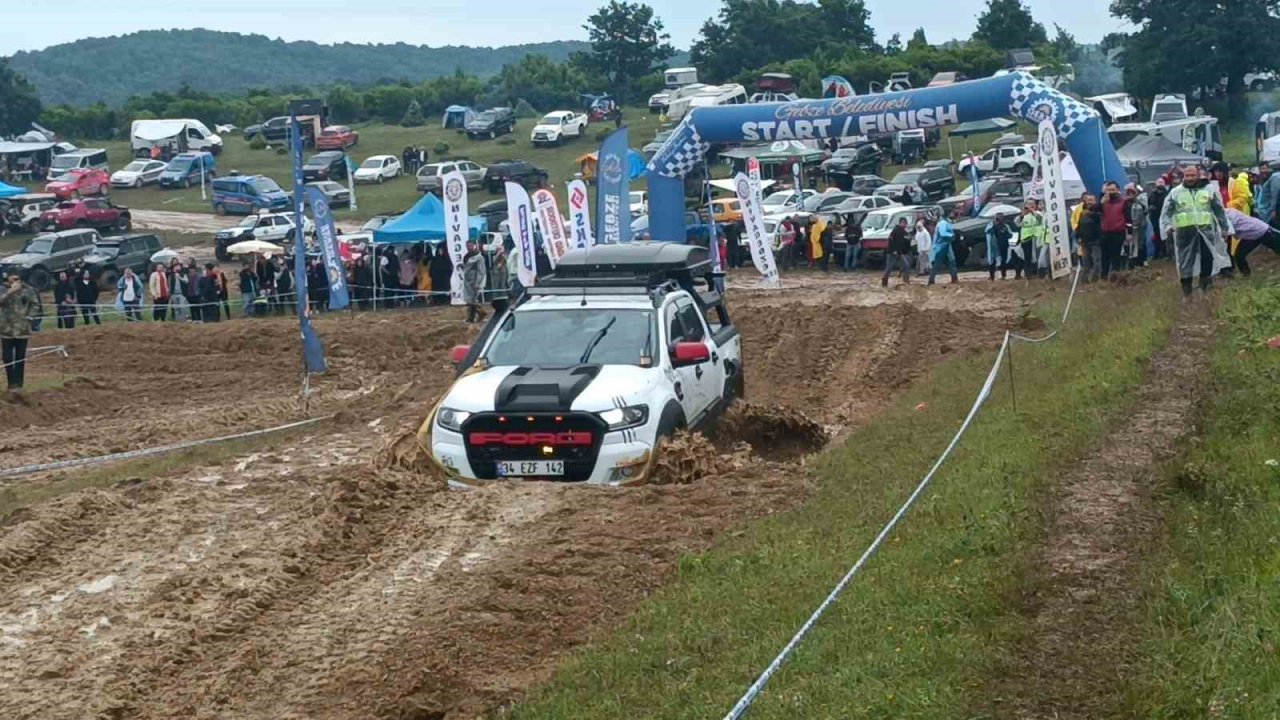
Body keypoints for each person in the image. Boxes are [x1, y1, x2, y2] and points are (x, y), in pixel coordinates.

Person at [1159, 164, 1232, 300]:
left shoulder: (1209, 190)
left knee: (1207, 259)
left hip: (1206, 231)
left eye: (1193, 175)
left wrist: (1224, 228)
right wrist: (1167, 226)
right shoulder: (1176, 192)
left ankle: (1204, 288)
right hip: (1184, 233)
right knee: (1185, 261)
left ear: (1198, 175)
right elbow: (1166, 212)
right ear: (1183, 177)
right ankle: (1187, 293)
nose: (1190, 178)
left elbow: (1219, 210)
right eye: (1187, 175)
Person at [0, 273, 41, 392]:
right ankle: (11, 383)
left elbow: (35, 304)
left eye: (17, 279)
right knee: (7, 358)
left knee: (20, 357)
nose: (14, 281)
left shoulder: (28, 290)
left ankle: (19, 384)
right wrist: (10, 292)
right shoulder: (3, 289)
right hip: (6, 329)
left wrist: (30, 316)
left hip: (22, 329)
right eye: (12, 278)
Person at [1224, 207, 1280, 277]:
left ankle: (1246, 276)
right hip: (1253, 233)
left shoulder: (1227, 217)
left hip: (1259, 231)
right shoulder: (1229, 211)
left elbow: (1227, 234)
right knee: (1239, 255)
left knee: (1239, 255)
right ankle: (1246, 276)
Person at [1098, 182, 1127, 280]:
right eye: (1108, 190)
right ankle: (1104, 276)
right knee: (1104, 256)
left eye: (1112, 190)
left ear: (1117, 190)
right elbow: (1094, 210)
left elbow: (1128, 217)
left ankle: (1115, 276)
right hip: (1105, 232)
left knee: (1116, 256)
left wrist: (1129, 232)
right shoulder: (1103, 202)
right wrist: (1101, 202)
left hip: (1118, 232)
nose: (1110, 192)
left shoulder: (1123, 202)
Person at [1075, 194, 1103, 283]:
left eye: (1092, 200)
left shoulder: (1098, 211)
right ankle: (1084, 281)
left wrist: (1090, 214)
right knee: (1085, 263)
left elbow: (1100, 219)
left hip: (1096, 241)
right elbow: (1079, 227)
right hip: (1084, 242)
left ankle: (1095, 280)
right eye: (1088, 200)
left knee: (1097, 261)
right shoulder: (1082, 213)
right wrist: (1078, 236)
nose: (1090, 202)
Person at [928, 211, 960, 285]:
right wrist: (951, 235)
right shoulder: (943, 223)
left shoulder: (942, 222)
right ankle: (931, 280)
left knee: (950, 262)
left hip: (944, 245)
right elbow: (943, 233)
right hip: (942, 245)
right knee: (941, 263)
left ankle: (954, 278)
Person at [1015, 201, 1044, 280]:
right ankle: (1028, 274)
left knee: (1038, 256)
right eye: (1029, 204)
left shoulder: (1038, 213)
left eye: (1032, 204)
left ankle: (1037, 273)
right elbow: (1017, 224)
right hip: (1026, 239)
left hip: (1037, 238)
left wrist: (1032, 212)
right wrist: (1023, 215)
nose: (1030, 206)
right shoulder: (1024, 215)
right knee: (1027, 256)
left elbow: (1041, 219)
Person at [461, 239, 487, 324]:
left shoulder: (479, 257)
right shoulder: (466, 256)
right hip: (467, 281)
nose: (469, 247)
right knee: (469, 300)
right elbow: (466, 267)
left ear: (474, 246)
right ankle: (472, 317)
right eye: (467, 246)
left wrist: (478, 282)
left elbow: (481, 271)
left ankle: (480, 313)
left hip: (475, 281)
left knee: (472, 300)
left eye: (470, 245)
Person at [882, 217, 912, 287]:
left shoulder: (903, 231)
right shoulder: (895, 230)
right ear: (901, 223)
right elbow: (891, 241)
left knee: (906, 266)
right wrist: (894, 250)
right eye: (904, 223)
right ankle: (884, 281)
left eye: (906, 223)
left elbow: (906, 240)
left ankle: (906, 281)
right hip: (892, 252)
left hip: (899, 252)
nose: (905, 225)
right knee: (889, 268)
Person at [1125, 184, 1149, 268]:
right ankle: (1133, 262)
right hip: (1129, 225)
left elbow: (1146, 210)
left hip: (1141, 225)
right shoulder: (1125, 202)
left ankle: (1142, 260)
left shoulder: (1141, 200)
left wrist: (1137, 201)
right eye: (1128, 193)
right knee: (1131, 244)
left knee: (1141, 242)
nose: (1130, 195)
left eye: (1132, 193)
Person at [985, 213, 1014, 281]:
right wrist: (994, 225)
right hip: (993, 247)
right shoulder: (991, 225)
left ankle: (1003, 276)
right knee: (992, 261)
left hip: (1003, 246)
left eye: (1000, 217)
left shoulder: (1006, 226)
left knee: (1003, 261)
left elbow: (1011, 235)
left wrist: (1005, 232)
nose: (999, 219)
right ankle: (992, 277)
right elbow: (987, 231)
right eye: (997, 217)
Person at [1148, 178, 1169, 259]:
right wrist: (1151, 207)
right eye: (1159, 183)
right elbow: (1149, 204)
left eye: (1162, 183)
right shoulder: (1152, 194)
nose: (1160, 184)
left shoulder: (1167, 194)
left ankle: (1165, 253)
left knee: (1165, 236)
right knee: (1156, 235)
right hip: (1155, 218)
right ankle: (1156, 253)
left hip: (1165, 218)